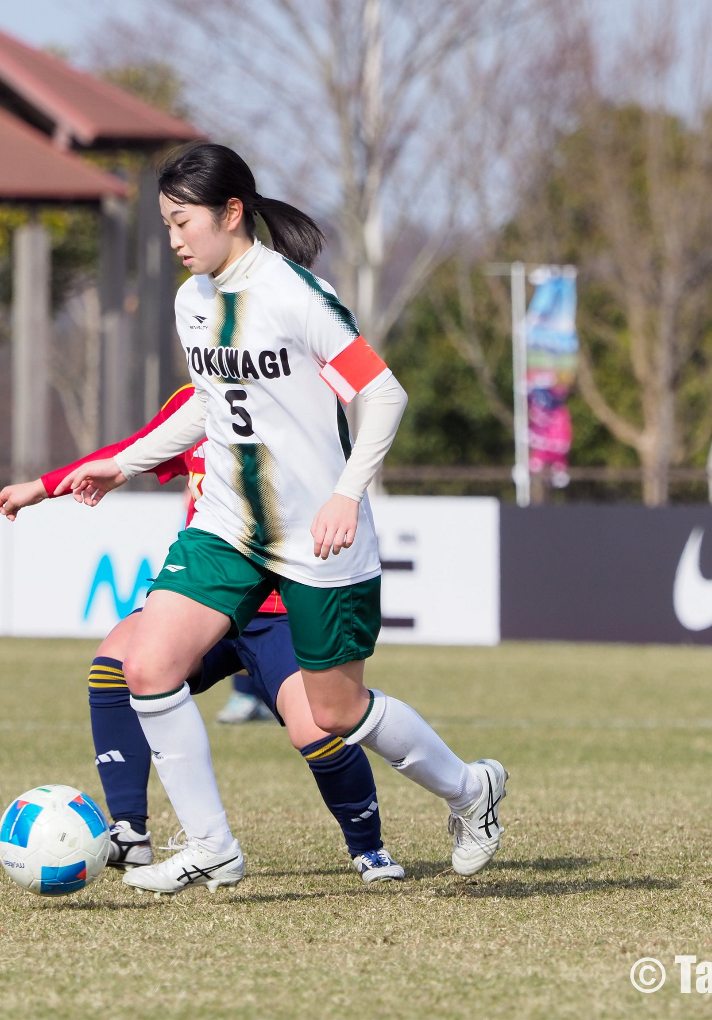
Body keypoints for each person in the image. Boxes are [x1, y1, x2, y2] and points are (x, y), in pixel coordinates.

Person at [30, 142, 507, 894]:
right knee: (145, 665)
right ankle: (212, 846)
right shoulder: (192, 303)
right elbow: (213, 415)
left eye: (184, 222)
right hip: (225, 525)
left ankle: (471, 791)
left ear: (231, 213)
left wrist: (347, 493)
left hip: (314, 535)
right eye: (166, 225)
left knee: (335, 712)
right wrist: (119, 466)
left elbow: (383, 395)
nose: (176, 239)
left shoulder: (296, 296)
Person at [0, 386, 405, 883]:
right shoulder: (200, 395)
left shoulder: (294, 395)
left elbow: (372, 408)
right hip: (207, 599)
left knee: (316, 726)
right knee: (119, 661)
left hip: (281, 608)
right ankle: (130, 831)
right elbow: (135, 448)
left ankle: (369, 848)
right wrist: (42, 486)